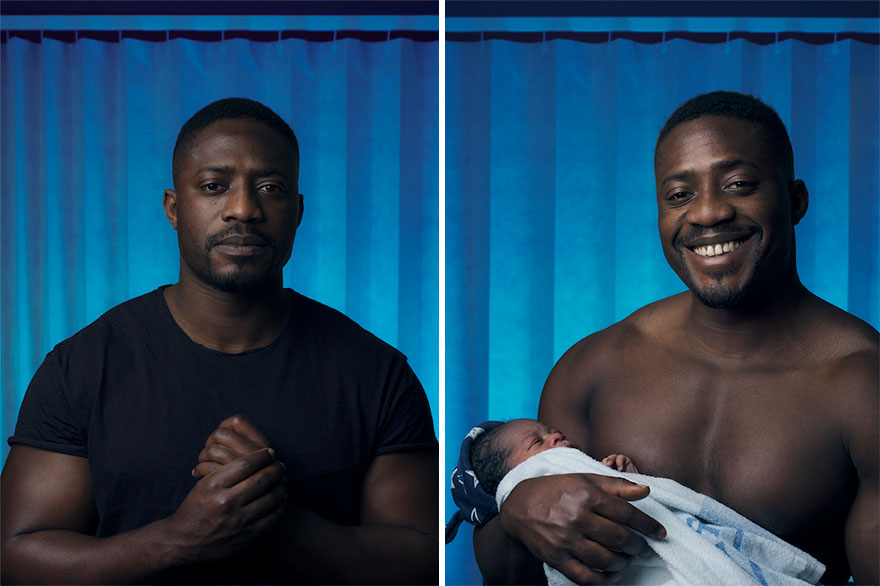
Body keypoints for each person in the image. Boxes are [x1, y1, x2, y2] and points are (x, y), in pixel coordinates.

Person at [0, 98, 438, 584]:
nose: (243, 209)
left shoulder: (377, 373)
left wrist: (279, 519)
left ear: (297, 212)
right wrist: (180, 537)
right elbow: (17, 554)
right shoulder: (82, 366)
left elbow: (422, 561)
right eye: (213, 186)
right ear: (173, 208)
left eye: (269, 188)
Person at [472, 91, 879, 585]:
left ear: (795, 201)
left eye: (739, 184)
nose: (707, 213)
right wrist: (518, 511)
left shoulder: (862, 384)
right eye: (680, 195)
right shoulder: (594, 368)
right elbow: (516, 575)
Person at [470, 419, 637, 497]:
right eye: (536, 442)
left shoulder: (600, 470)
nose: (557, 435)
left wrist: (624, 476)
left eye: (554, 431)